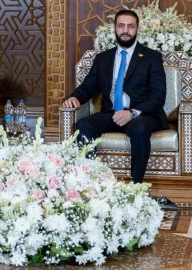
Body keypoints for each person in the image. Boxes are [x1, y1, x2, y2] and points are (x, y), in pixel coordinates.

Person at [62, 10, 167, 184]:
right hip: (112, 113)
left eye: (130, 26)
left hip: (142, 115)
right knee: (84, 125)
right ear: (114, 29)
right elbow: (88, 86)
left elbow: (158, 96)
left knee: (139, 128)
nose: (125, 30)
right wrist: (75, 98)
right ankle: (90, 181)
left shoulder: (151, 57)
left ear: (137, 29)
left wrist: (132, 113)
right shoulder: (103, 58)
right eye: (121, 26)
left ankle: (136, 186)